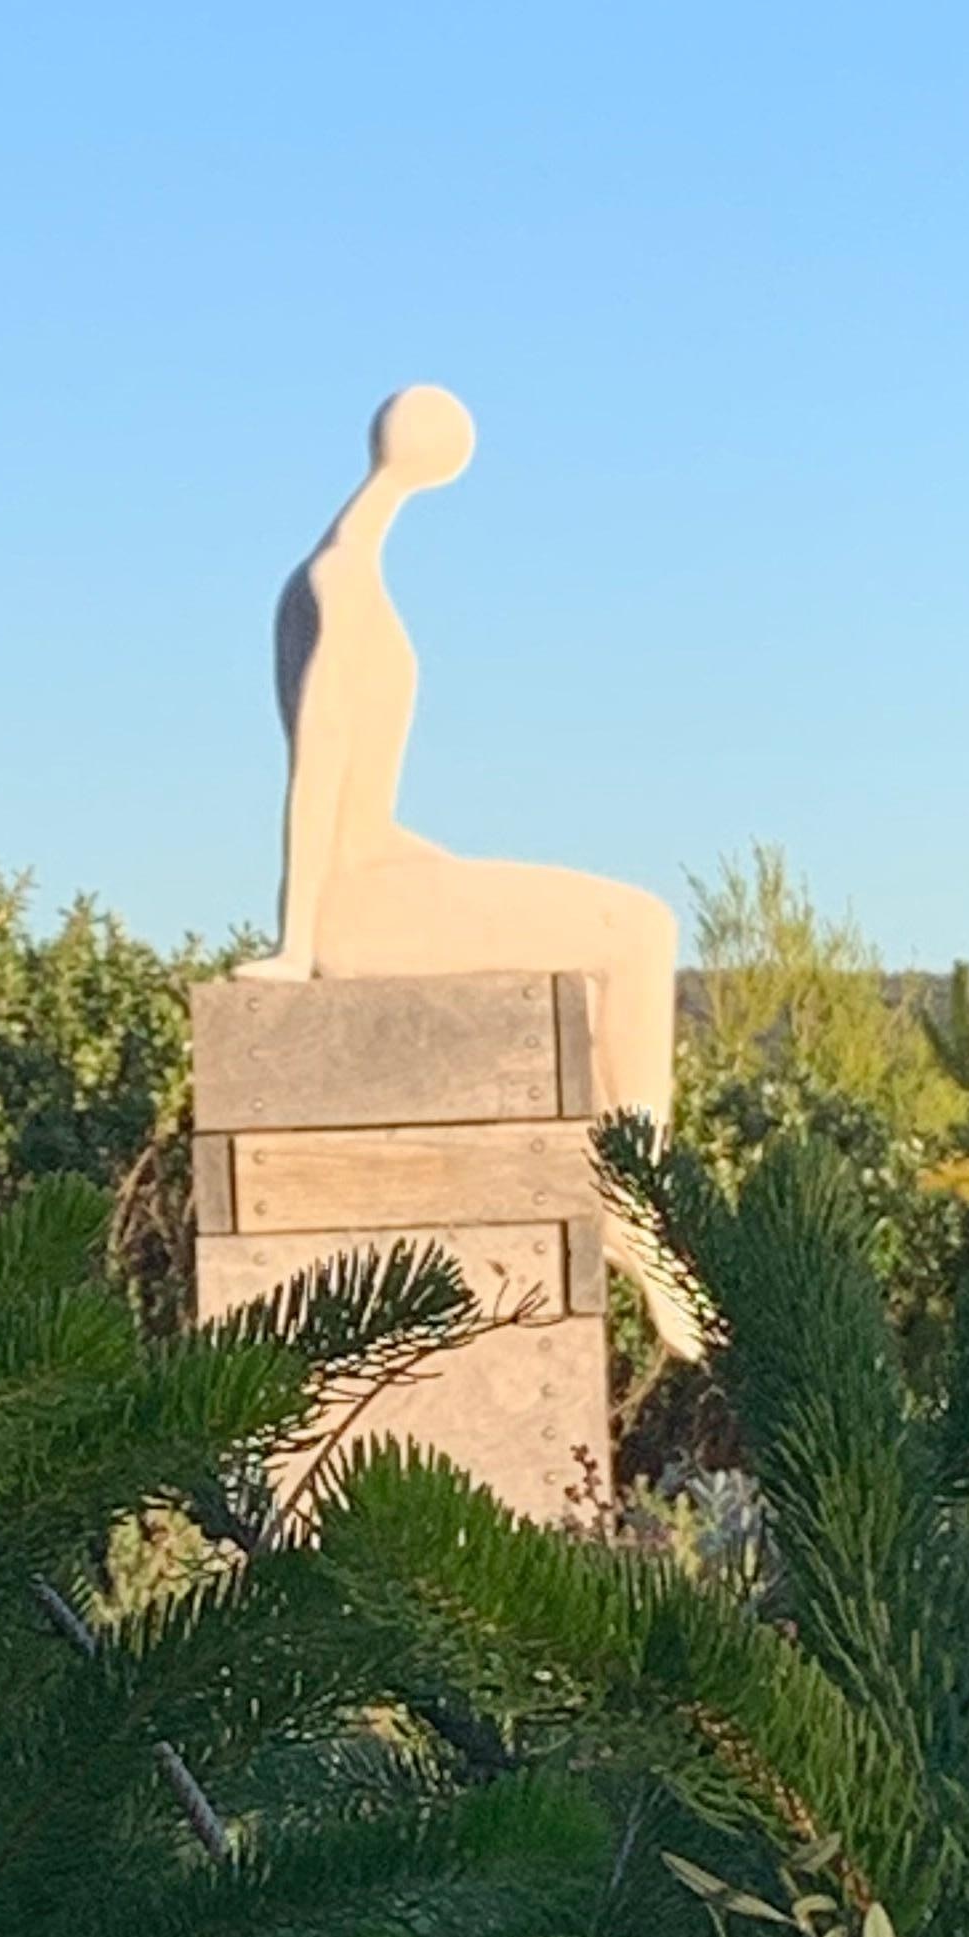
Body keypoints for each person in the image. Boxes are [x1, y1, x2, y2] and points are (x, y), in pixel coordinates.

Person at [236, 384, 702, 1355]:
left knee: (631, 926)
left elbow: (355, 802)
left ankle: (639, 1199)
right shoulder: (338, 586)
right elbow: (317, 770)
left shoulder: (325, 574)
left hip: (380, 875)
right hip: (359, 905)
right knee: (641, 930)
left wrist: (438, 870)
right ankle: (643, 1209)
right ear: (438, 454)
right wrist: (297, 943)